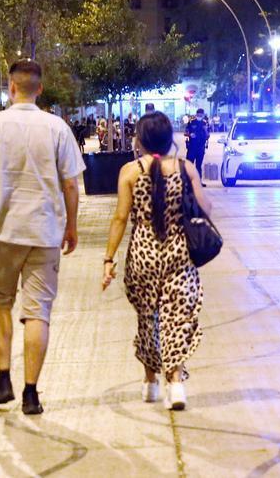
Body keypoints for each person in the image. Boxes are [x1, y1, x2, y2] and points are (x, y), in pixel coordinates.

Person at [0, 60, 85, 416]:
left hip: (3, 232)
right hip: (45, 233)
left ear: (11, 89)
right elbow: (71, 184)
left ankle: (4, 380)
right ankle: (31, 393)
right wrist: (71, 226)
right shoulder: (57, 128)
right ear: (40, 89)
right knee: (38, 313)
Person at [102, 112, 209, 410]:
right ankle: (175, 384)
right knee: (177, 318)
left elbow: (121, 218)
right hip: (179, 254)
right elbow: (205, 207)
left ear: (140, 140)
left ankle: (150, 381)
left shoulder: (129, 172)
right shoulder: (185, 169)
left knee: (148, 318)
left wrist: (108, 260)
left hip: (143, 254)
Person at [184, 109, 210, 176]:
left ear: (203, 115)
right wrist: (190, 134)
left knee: (198, 165)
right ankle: (188, 181)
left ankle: (198, 181)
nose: (199, 116)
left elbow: (208, 136)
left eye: (201, 115)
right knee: (189, 165)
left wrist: (205, 129)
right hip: (192, 147)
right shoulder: (191, 122)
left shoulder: (205, 123)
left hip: (201, 147)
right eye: (198, 115)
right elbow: (185, 133)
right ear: (196, 114)